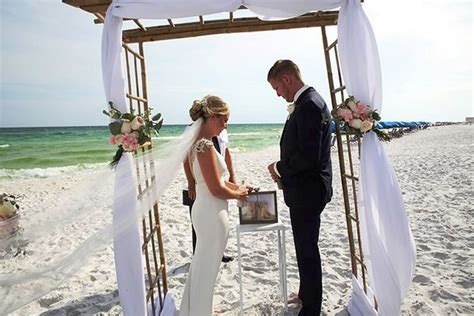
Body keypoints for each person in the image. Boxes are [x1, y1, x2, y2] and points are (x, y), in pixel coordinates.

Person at [266, 60, 333, 315]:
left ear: (286, 79)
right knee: (304, 246)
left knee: (307, 250)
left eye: (276, 87)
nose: (278, 93)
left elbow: (309, 156)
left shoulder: (309, 106)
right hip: (306, 190)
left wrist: (280, 168)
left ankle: (312, 308)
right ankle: (306, 294)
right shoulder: (308, 102)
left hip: (308, 191)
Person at [179, 95, 249, 316]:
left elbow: (217, 181)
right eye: (223, 120)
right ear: (211, 118)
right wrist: (239, 196)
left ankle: (195, 309)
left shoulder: (195, 144)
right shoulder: (205, 145)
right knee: (207, 269)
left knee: (201, 265)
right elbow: (216, 189)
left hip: (205, 209)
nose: (225, 125)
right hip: (211, 212)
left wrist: (239, 189)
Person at [183, 128, 236, 263]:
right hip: (201, 183)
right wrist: (190, 181)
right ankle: (198, 254)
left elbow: (226, 152)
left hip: (220, 179)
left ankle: (219, 252)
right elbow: (186, 157)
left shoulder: (222, 132)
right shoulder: (192, 131)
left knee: (219, 218)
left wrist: (232, 175)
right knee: (201, 222)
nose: (225, 125)